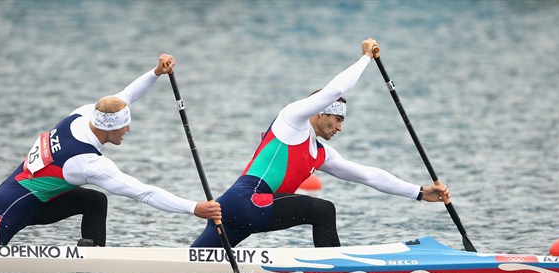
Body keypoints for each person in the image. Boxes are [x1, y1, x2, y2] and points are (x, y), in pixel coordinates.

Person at [192, 38, 449, 248]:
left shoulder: (321, 154)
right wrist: (365, 58)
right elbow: (334, 90)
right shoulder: (292, 121)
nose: (340, 127)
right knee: (323, 210)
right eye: (337, 119)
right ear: (321, 112)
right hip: (247, 201)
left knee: (194, 261)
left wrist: (417, 192)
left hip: (233, 210)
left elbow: (368, 176)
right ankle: (334, 271)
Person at [0, 54, 221, 247]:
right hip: (12, 207)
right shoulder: (88, 163)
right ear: (109, 130)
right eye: (124, 126)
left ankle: (92, 257)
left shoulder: (85, 113)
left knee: (94, 201)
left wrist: (156, 72)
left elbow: (127, 94)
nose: (128, 130)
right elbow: (144, 193)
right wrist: (194, 208)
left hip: (34, 197)